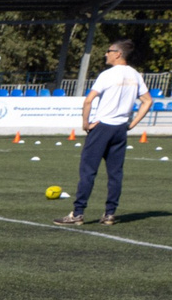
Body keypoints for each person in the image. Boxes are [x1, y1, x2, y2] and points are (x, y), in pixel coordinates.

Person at [61, 40, 152, 227]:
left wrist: (85, 123)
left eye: (108, 51)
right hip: (120, 129)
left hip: (102, 127)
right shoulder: (135, 75)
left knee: (88, 172)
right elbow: (147, 101)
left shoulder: (108, 75)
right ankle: (110, 214)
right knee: (115, 174)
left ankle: (78, 213)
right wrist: (132, 124)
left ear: (118, 54)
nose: (105, 54)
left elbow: (88, 101)